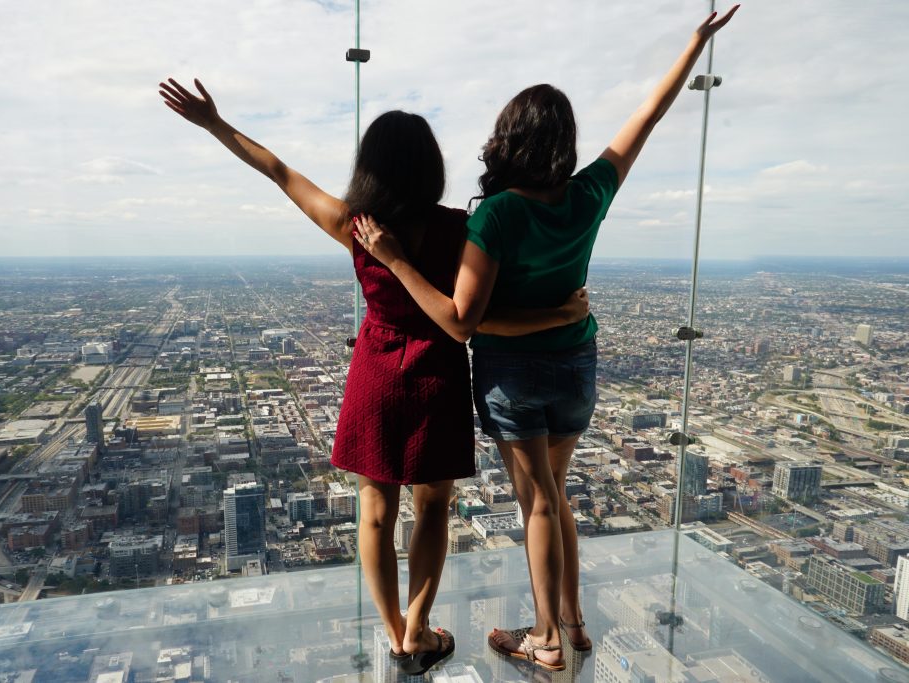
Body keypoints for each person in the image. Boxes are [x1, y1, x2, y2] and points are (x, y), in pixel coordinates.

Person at [158, 80, 590, 675]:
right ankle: (418, 626)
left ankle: (398, 636)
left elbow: (280, 172)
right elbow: (478, 311)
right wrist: (561, 314)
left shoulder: (355, 227)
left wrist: (215, 124)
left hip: (377, 373)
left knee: (374, 510)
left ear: (371, 166)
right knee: (434, 505)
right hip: (438, 371)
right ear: (431, 167)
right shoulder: (460, 228)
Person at [354, 6, 739, 672]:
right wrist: (694, 47)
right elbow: (645, 119)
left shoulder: (496, 215)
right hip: (576, 367)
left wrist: (396, 259)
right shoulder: (589, 194)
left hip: (513, 377)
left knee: (536, 502)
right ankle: (575, 621)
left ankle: (547, 640)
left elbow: (464, 318)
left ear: (508, 138)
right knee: (556, 497)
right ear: (564, 144)